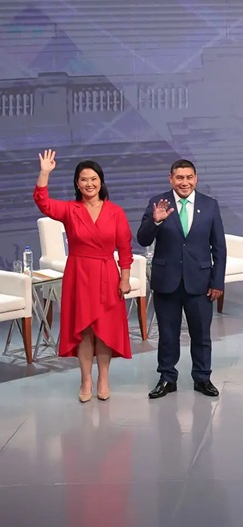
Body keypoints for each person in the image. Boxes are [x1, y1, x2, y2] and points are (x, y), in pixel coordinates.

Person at [33, 149, 133, 402]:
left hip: (107, 274)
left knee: (105, 330)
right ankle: (86, 379)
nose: (89, 184)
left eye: (93, 179)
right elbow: (43, 203)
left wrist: (124, 278)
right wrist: (45, 173)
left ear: (101, 181)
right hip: (79, 275)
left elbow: (125, 248)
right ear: (77, 184)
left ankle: (103, 378)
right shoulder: (70, 210)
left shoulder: (115, 212)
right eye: (84, 179)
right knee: (85, 329)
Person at [137, 159, 226, 400]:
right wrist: (156, 221)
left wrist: (217, 282)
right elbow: (143, 239)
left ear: (196, 178)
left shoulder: (210, 205)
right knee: (168, 335)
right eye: (179, 178)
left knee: (201, 334)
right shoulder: (158, 203)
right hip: (167, 281)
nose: (184, 182)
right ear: (171, 179)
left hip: (200, 282)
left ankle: (202, 378)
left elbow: (219, 247)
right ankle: (167, 378)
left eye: (189, 177)